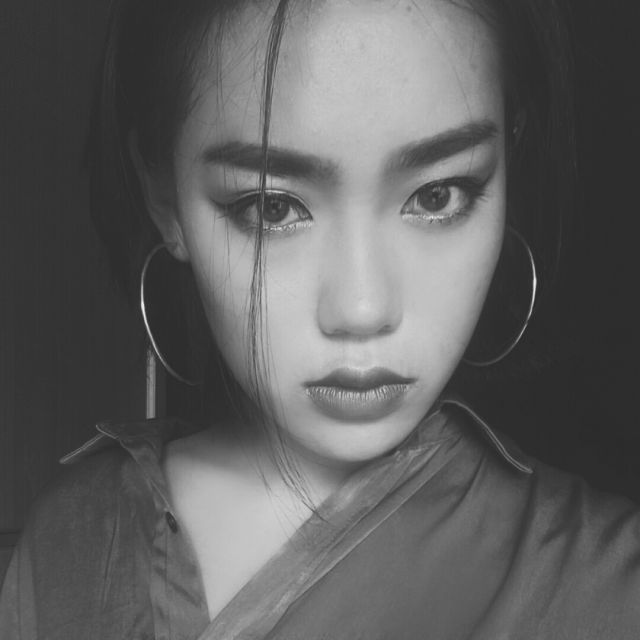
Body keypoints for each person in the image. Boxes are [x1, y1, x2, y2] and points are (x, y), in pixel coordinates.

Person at [1, 0, 639, 638]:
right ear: (164, 197)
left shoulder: (609, 586)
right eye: (272, 207)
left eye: (436, 195)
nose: (362, 310)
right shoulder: (71, 548)